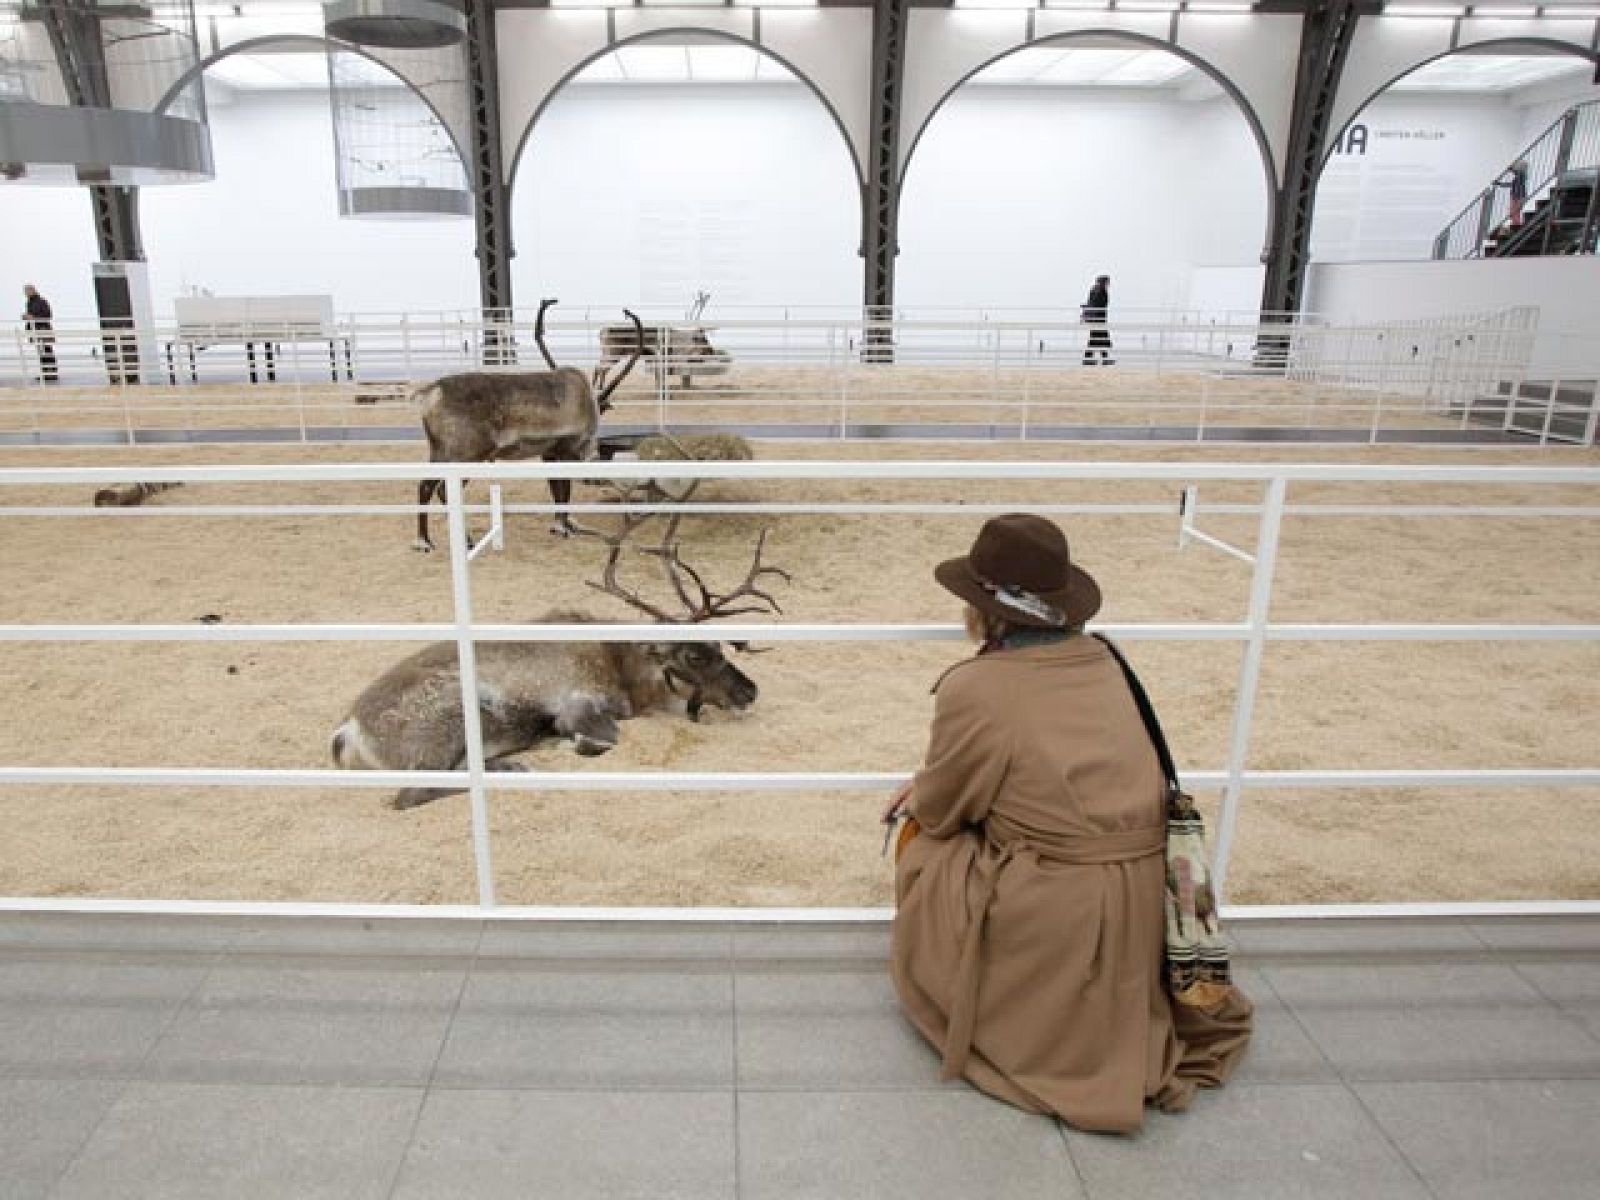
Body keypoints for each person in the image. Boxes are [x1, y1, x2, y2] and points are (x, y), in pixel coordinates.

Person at [886, 514, 1252, 1133]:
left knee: (921, 847)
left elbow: (945, 809)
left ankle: (983, 997)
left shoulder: (977, 686)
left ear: (984, 609)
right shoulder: (1107, 658)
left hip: (1062, 905)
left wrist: (923, 792)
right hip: (1143, 895)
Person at [22, 284, 57, 383]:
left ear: (33, 290)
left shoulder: (42, 301)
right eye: (25, 291)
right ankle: (45, 373)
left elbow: (48, 315)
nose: (26, 293)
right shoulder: (29, 303)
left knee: (47, 351)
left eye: (28, 291)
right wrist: (26, 317)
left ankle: (52, 373)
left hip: (43, 329)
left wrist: (33, 317)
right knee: (40, 352)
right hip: (35, 330)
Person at [1081, 273, 1113, 366]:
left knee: (1098, 338)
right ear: (1104, 282)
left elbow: (1090, 303)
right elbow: (1098, 305)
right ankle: (1090, 359)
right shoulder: (1101, 291)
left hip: (1095, 318)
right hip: (1098, 318)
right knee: (1099, 338)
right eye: (1107, 281)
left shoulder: (1094, 290)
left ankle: (1099, 358)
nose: (1108, 284)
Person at [1497, 159, 1529, 227]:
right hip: (1516, 196)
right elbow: (1511, 184)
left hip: (1519, 196)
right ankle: (1516, 224)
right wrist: (1499, 184)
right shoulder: (1519, 177)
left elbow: (1518, 172)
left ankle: (1516, 225)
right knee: (1513, 212)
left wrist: (1511, 169)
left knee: (1514, 212)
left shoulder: (1521, 176)